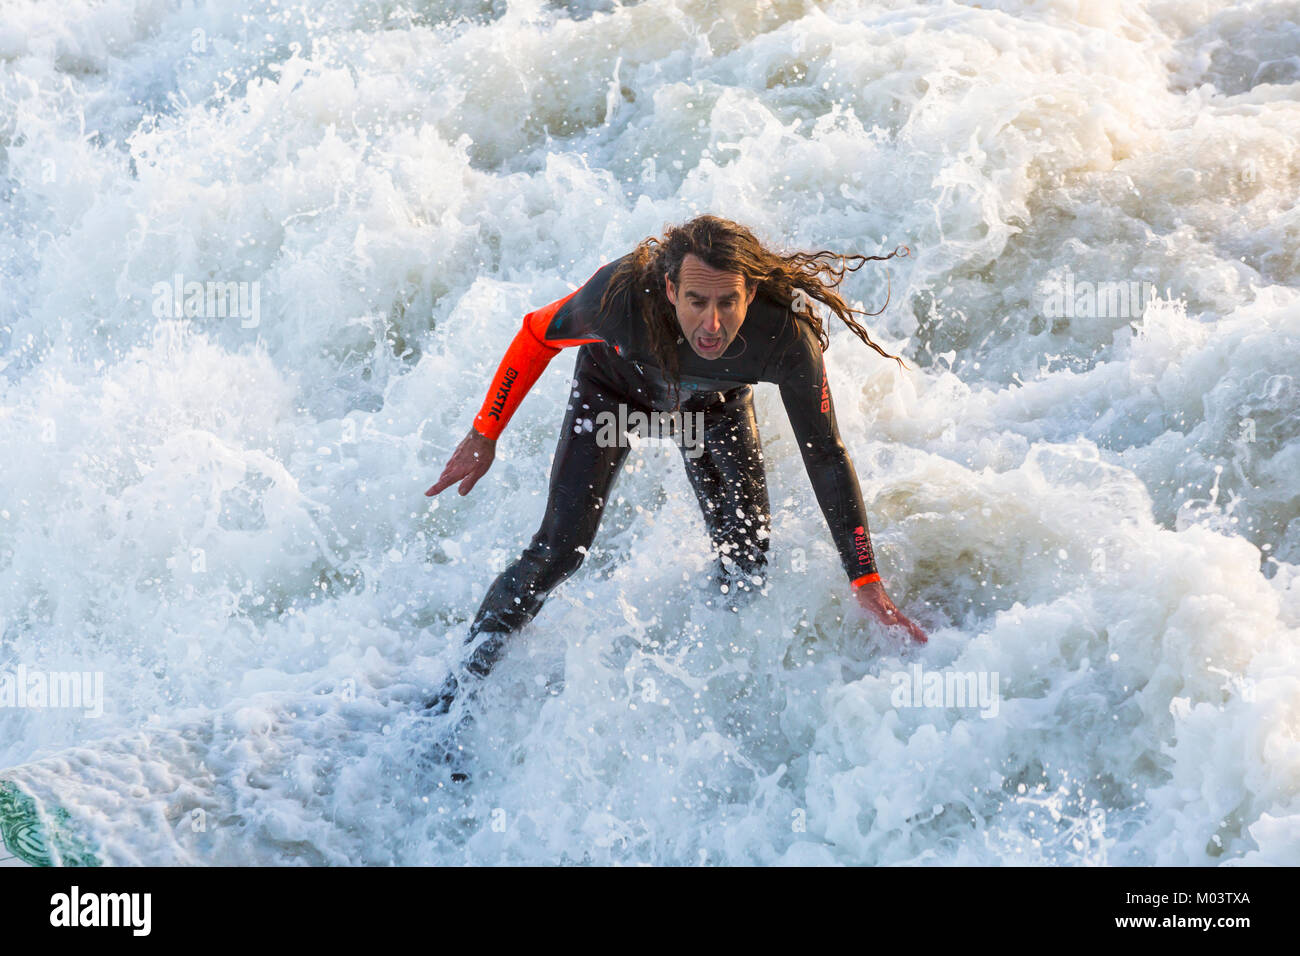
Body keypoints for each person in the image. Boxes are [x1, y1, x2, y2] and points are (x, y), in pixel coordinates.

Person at [424, 215, 927, 713]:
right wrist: (484, 432)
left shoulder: (784, 337)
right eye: (696, 301)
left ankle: (714, 687)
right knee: (560, 551)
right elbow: (537, 334)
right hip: (615, 397)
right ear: (669, 289)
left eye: (728, 302)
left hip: (714, 409)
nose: (712, 325)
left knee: (746, 562)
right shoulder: (620, 301)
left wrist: (866, 582)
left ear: (750, 292)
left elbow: (826, 453)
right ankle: (455, 698)